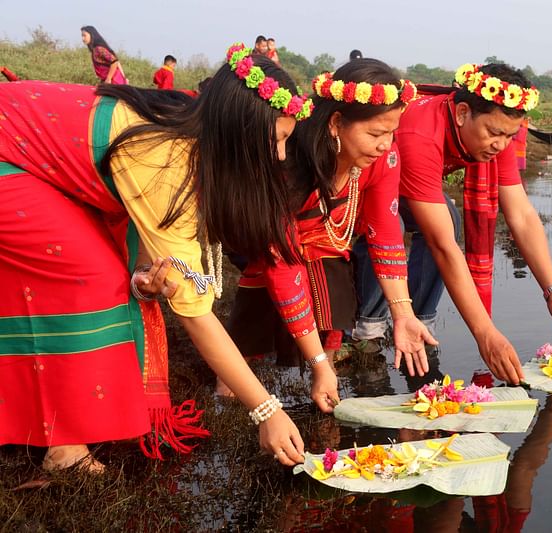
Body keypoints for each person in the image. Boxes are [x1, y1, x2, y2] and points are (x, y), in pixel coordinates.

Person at [0, 42, 316, 471]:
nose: (279, 155)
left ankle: (57, 427)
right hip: (10, 158)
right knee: (88, 274)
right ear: (237, 131)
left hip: (33, 160)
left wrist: (140, 278)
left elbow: (149, 245)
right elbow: (194, 311)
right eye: (276, 140)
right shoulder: (166, 158)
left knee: (105, 273)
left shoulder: (191, 125)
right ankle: (65, 446)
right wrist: (267, 411)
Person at [352, 63, 552, 385]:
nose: (501, 145)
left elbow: (522, 215)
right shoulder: (420, 134)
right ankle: (369, 333)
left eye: (509, 136)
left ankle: (422, 327)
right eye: (494, 133)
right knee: (400, 225)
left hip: (401, 182)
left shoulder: (494, 134)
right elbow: (442, 245)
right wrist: (485, 334)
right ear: (461, 113)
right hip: (359, 189)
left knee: (448, 216)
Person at [225, 59, 435, 390]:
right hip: (260, 235)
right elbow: (282, 264)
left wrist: (403, 314)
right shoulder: (288, 158)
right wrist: (318, 362)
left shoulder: (383, 158)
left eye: (392, 132)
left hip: (326, 239)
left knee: (333, 303)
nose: (385, 144)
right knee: (256, 320)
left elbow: (386, 235)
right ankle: (231, 392)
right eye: (376, 133)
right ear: (336, 123)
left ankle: (324, 383)